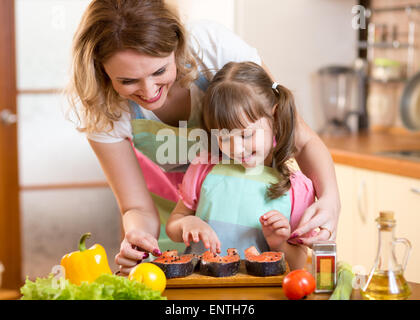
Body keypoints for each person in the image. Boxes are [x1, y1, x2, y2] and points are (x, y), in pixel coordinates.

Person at [67, 0, 340, 276]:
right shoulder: (102, 109)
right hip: (178, 231)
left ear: (177, 46)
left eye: (160, 71)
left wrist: (330, 199)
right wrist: (138, 239)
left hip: (256, 225)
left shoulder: (212, 49)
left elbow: (299, 138)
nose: (149, 92)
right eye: (127, 81)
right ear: (101, 72)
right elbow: (136, 206)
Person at [165, 61, 315, 270]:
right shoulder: (204, 167)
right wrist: (185, 224)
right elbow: (174, 223)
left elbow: (300, 263)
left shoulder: (296, 189)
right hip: (203, 287)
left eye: (246, 135)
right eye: (224, 137)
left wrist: (279, 242)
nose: (236, 148)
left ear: (276, 116)